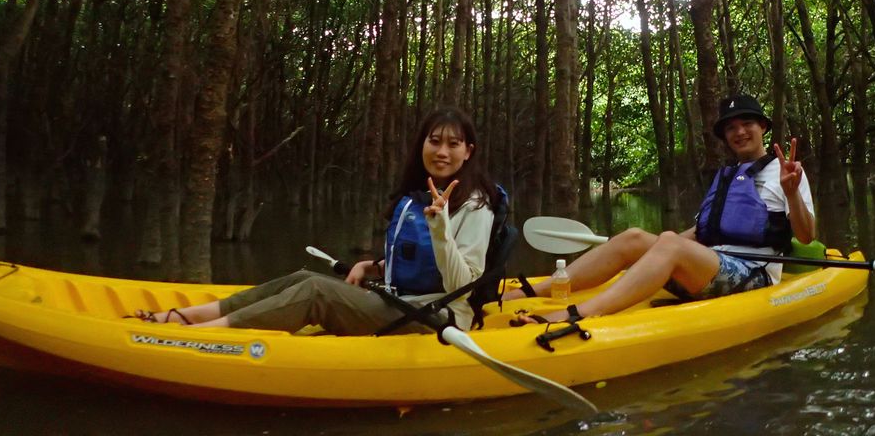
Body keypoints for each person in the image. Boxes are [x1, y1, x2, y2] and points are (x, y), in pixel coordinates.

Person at [134, 106, 499, 335]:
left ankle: (203, 336)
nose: (442, 151)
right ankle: (188, 315)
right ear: (422, 145)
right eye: (435, 141)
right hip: (405, 301)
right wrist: (372, 265)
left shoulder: (476, 205)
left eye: (453, 144)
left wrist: (441, 229)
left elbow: (462, 284)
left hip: (439, 317)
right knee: (303, 277)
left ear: (468, 152)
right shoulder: (421, 192)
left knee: (316, 292)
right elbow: (420, 260)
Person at [509, 93, 814, 325]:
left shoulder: (786, 172)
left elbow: (806, 234)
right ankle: (533, 291)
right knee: (633, 236)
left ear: (762, 126)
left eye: (747, 123)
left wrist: (792, 193)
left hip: (753, 273)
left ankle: (579, 314)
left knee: (667, 242)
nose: (740, 132)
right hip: (709, 264)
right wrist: (647, 254)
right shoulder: (728, 177)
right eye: (731, 127)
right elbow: (697, 233)